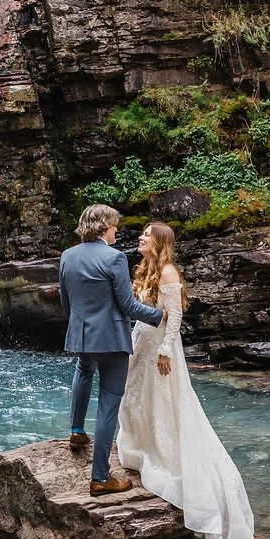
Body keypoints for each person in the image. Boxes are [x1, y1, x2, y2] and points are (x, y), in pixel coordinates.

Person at [116, 221, 255, 539]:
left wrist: (165, 351)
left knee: (163, 402)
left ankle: (165, 457)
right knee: (134, 399)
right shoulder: (145, 269)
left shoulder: (167, 272)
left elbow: (174, 316)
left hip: (160, 349)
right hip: (141, 343)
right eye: (142, 233)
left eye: (146, 234)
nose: (140, 237)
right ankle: (141, 447)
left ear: (160, 242)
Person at [59, 203, 165, 495]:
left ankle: (77, 431)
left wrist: (79, 324)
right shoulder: (114, 258)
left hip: (81, 335)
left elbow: (65, 302)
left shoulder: (67, 256)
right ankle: (100, 477)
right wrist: (160, 316)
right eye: (115, 226)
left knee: (83, 371)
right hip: (111, 339)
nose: (117, 231)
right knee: (109, 402)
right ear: (105, 227)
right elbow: (128, 306)